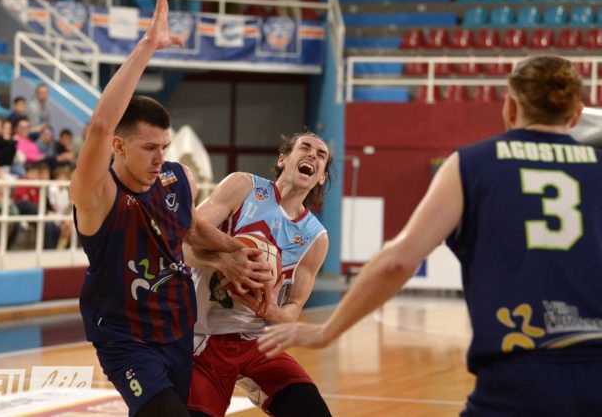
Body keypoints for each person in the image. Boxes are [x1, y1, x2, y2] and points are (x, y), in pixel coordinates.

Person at [258, 55, 602, 415]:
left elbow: (398, 261)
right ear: (576, 114)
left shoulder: (473, 165)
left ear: (510, 106)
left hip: (516, 375)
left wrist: (326, 331)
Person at [69, 0, 271, 417]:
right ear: (119, 146)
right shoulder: (98, 195)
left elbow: (192, 229)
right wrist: (148, 46)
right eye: (149, 148)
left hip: (178, 329)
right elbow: (100, 125)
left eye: (164, 146)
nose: (160, 157)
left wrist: (237, 250)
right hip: (125, 338)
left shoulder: (176, 178)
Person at [186, 131, 333, 417]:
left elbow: (293, 309)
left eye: (321, 155)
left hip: (256, 340)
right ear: (283, 159)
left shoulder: (316, 238)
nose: (312, 155)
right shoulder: (242, 186)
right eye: (305, 147)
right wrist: (223, 261)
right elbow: (183, 242)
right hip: (202, 336)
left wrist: (270, 310)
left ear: (321, 177)